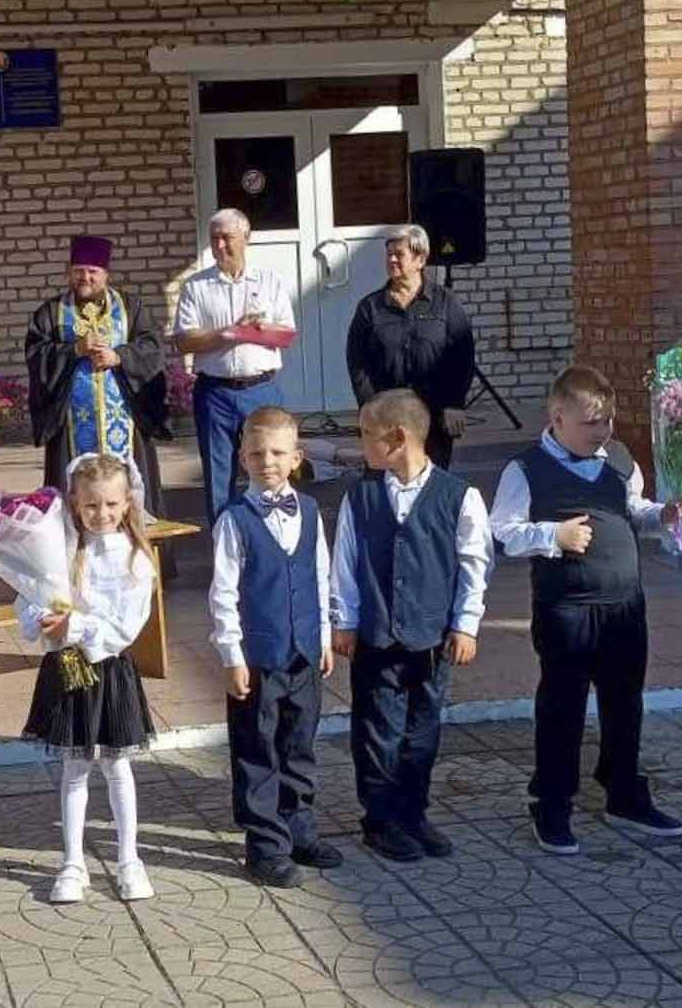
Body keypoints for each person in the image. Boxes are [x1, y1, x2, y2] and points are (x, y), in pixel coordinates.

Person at [489, 365, 682, 856]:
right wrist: (552, 536)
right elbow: (502, 531)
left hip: (623, 605)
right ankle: (552, 802)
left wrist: (664, 514)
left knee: (625, 701)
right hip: (567, 608)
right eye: (590, 422)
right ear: (557, 416)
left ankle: (624, 792)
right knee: (563, 706)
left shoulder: (619, 459)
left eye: (607, 420)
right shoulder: (526, 469)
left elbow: (634, 509)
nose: (602, 431)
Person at [331, 390, 492, 863]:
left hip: (431, 638)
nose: (361, 443)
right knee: (377, 729)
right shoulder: (361, 497)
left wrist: (466, 624)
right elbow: (345, 562)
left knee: (423, 729)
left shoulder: (460, 497)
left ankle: (413, 813)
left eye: (367, 434)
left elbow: (474, 563)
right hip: (377, 636)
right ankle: (379, 819)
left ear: (397, 438)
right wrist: (345, 620)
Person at [207, 406, 339, 888]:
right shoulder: (234, 520)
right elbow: (223, 593)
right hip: (259, 658)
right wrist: (232, 656)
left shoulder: (309, 510)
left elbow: (319, 575)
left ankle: (298, 827)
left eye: (278, 453)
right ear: (242, 458)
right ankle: (264, 844)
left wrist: (323, 635)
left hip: (304, 651)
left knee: (299, 744)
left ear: (297, 457)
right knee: (257, 747)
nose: (268, 462)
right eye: (257, 453)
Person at [18, 453, 158, 905]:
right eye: (92, 505)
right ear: (75, 503)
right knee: (74, 767)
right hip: (68, 666)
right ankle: (72, 862)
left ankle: (129, 859)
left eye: (111, 504)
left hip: (108, 668)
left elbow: (126, 626)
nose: (102, 514)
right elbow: (32, 593)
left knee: (117, 766)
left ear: (127, 502)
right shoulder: (61, 549)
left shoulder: (137, 559)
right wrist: (40, 617)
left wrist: (74, 627)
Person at [26, 235, 172, 516]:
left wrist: (119, 357)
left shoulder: (130, 308)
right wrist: (74, 350)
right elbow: (36, 356)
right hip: (71, 424)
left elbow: (153, 349)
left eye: (92, 271)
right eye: (78, 271)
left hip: (125, 421)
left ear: (106, 274)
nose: (85, 278)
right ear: (68, 272)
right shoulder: (51, 313)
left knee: (131, 494)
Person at [175, 210, 296, 524]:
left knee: (272, 467)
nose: (220, 245)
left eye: (227, 238)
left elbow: (286, 336)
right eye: (214, 238)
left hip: (261, 389)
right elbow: (184, 341)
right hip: (215, 392)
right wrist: (229, 333)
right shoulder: (196, 286)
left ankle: (274, 532)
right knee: (218, 476)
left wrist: (254, 331)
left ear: (246, 238)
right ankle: (223, 540)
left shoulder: (269, 281)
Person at [344, 224, 476, 469]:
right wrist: (369, 407)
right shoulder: (370, 308)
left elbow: (463, 357)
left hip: (435, 415)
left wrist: (454, 404)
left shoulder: (446, 303)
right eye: (389, 254)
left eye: (399, 254)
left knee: (431, 480)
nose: (392, 260)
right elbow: (358, 363)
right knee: (384, 481)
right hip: (387, 416)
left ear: (420, 259)